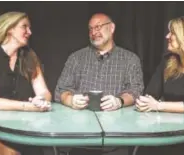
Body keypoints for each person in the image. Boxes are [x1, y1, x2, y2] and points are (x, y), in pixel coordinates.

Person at [54, 13, 144, 155]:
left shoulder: (130, 59)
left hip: (116, 141)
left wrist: (119, 101)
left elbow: (136, 90)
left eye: (98, 27)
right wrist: (70, 100)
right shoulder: (76, 58)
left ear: (112, 27)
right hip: (80, 141)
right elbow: (61, 90)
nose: (94, 32)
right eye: (90, 29)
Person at [135, 16, 184, 155]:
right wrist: (145, 102)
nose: (167, 36)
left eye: (172, 33)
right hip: (169, 127)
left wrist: (159, 106)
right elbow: (151, 94)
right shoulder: (167, 61)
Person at [0, 12, 52, 155]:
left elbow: (45, 92)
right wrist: (28, 107)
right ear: (9, 29)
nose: (29, 32)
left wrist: (41, 101)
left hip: (22, 125)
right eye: (24, 27)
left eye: (29, 28)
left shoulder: (29, 56)